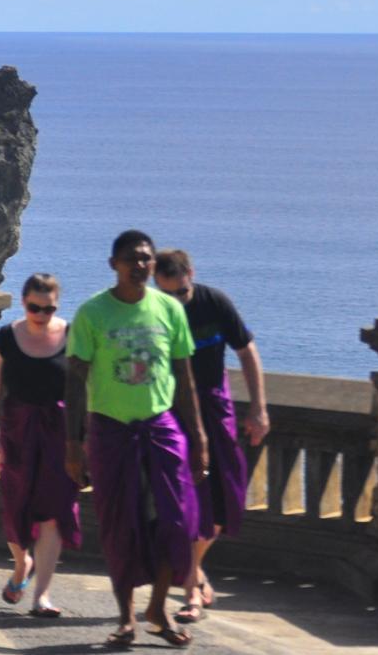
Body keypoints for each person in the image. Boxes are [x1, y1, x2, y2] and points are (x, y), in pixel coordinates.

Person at [66, 230, 209, 649]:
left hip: (161, 427)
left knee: (174, 522)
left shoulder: (168, 309)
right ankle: (126, 617)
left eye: (146, 258)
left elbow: (183, 377)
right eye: (131, 259)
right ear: (114, 264)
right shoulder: (93, 313)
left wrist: (198, 435)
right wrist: (73, 445)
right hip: (110, 429)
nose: (140, 265)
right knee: (120, 524)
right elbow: (74, 380)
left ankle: (158, 609)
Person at [154, 250, 269, 625]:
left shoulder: (214, 302)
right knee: (179, 505)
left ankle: (194, 571)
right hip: (169, 415)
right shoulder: (150, 309)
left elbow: (246, 350)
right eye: (167, 294)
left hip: (214, 411)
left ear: (191, 274)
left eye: (181, 292)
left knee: (222, 502)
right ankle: (191, 589)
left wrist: (258, 408)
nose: (176, 301)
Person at [0, 272, 80, 618]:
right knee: (15, 509)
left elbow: (84, 389)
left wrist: (82, 442)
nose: (42, 315)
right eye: (35, 308)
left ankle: (42, 595)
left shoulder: (72, 336)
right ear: (23, 303)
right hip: (16, 433)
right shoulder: (7, 338)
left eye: (49, 308)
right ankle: (21, 563)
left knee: (55, 512)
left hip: (59, 434)